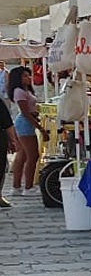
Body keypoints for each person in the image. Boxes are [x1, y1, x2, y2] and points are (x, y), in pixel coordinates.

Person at [9, 66, 42, 197]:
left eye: (28, 75)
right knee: (33, 155)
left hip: (26, 122)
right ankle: (28, 187)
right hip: (25, 123)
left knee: (22, 155)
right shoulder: (19, 91)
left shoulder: (25, 90)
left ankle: (16, 186)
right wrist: (40, 128)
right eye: (25, 76)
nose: (28, 78)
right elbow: (26, 113)